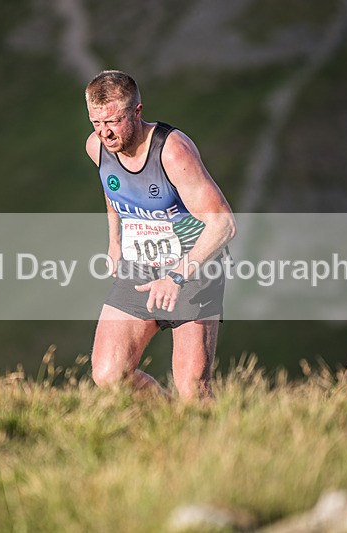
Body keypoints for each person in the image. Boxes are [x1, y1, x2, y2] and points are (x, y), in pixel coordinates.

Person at [85, 70, 236, 401]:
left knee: (192, 388)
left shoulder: (172, 151)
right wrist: (115, 241)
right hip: (140, 266)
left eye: (113, 121)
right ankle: (167, 426)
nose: (104, 132)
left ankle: (209, 446)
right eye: (96, 122)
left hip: (194, 267)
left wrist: (176, 276)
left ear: (137, 112)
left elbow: (223, 223)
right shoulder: (96, 147)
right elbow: (114, 190)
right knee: (109, 373)